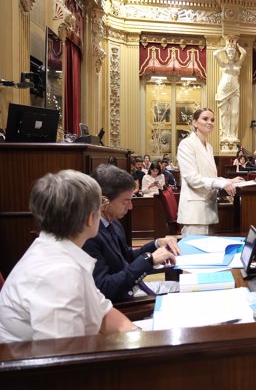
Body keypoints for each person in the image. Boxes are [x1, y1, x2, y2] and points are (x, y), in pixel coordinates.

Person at [0, 170, 135, 342]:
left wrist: (136, 335)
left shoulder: (58, 250)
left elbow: (102, 311)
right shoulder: (58, 273)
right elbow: (62, 356)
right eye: (100, 203)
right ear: (89, 218)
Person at [82, 165, 181, 301]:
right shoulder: (88, 235)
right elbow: (105, 288)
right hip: (125, 301)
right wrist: (149, 260)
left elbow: (127, 258)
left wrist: (158, 244)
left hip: (136, 287)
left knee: (191, 287)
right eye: (126, 201)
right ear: (103, 201)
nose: (131, 206)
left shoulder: (114, 223)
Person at [177, 107, 244, 236]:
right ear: (194, 123)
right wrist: (221, 183)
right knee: (195, 254)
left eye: (212, 120)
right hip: (195, 211)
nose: (210, 122)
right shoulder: (186, 144)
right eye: (205, 119)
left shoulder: (209, 147)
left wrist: (229, 180)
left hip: (209, 207)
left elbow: (209, 177)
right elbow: (193, 179)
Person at [214, 38, 246, 142]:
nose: (231, 54)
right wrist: (224, 48)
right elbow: (215, 55)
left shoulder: (238, 64)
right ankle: (225, 135)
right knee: (224, 114)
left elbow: (244, 53)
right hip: (223, 90)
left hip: (235, 89)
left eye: (233, 52)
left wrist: (237, 46)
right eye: (229, 52)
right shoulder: (223, 64)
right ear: (227, 54)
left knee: (235, 112)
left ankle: (233, 135)